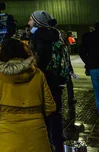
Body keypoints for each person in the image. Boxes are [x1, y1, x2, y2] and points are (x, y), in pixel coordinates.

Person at [0, 38, 56, 152]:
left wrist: (2, 122)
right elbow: (50, 106)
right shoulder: (38, 73)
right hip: (37, 137)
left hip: (7, 137)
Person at [27, 10, 69, 152]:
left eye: (31, 20)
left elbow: (39, 62)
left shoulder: (39, 38)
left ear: (37, 22)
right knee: (56, 109)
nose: (28, 22)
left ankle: (46, 140)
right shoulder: (55, 35)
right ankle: (58, 137)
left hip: (44, 79)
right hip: (56, 80)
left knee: (43, 111)